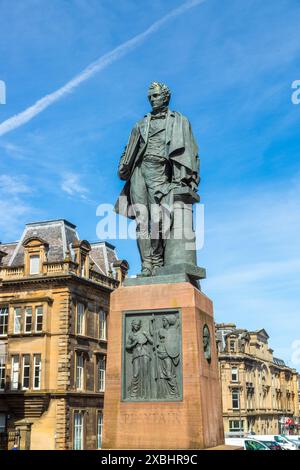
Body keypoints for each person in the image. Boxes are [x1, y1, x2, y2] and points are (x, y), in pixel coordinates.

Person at [115, 82, 199, 276]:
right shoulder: (141, 124)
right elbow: (128, 150)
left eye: (156, 96)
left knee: (158, 220)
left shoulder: (178, 121)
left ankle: (158, 261)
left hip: (160, 171)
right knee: (142, 220)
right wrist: (123, 163)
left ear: (165, 97)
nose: (152, 100)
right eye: (150, 97)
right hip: (139, 171)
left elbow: (190, 150)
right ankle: (146, 264)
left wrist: (187, 178)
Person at [126, 319, 153, 399]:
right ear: (132, 325)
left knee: (145, 373)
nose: (136, 326)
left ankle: (146, 394)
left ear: (140, 326)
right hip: (136, 354)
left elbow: (152, 342)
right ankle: (134, 393)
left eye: (138, 325)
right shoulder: (131, 335)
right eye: (135, 324)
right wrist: (133, 344)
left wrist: (147, 336)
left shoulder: (144, 333)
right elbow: (127, 346)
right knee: (136, 374)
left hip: (145, 353)